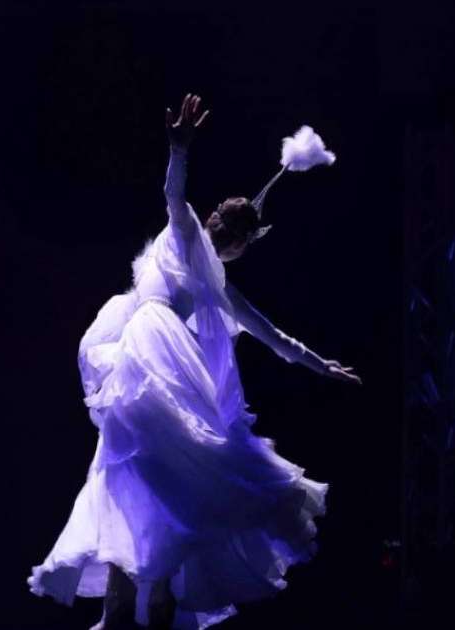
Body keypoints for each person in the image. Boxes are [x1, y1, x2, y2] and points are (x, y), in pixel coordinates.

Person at [27, 93, 360, 629]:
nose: (230, 245)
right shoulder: (184, 234)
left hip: (156, 361)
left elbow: (273, 336)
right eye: (232, 237)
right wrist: (179, 150)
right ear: (222, 231)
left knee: (152, 472)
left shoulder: (218, 284)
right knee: (131, 465)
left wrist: (322, 365)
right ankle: (136, 584)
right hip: (145, 347)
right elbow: (173, 192)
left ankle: (152, 576)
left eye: (238, 241)